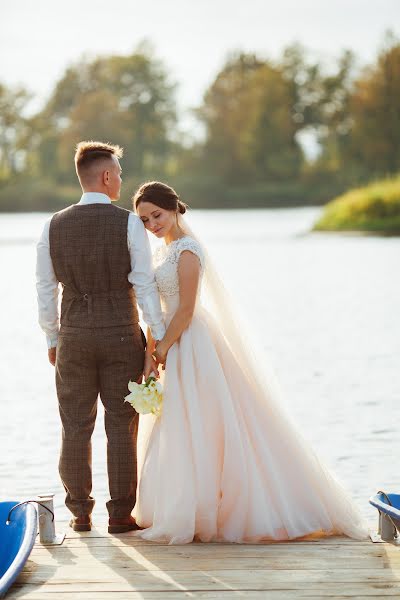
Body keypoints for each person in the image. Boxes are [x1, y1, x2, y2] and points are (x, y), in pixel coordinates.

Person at [132, 180, 370, 544]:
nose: (152, 225)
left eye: (156, 215)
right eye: (145, 220)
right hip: (167, 341)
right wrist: (153, 349)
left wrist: (163, 349)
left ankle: (231, 506)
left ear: (174, 207)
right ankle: (187, 505)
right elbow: (157, 309)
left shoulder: (188, 251)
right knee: (180, 425)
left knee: (210, 421)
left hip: (191, 342)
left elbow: (187, 309)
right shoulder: (159, 254)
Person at [35, 141, 164, 533]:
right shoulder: (127, 223)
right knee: (121, 425)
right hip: (122, 337)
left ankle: (79, 512)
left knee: (74, 425)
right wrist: (156, 339)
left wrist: (52, 340)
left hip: (73, 337)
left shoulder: (52, 225)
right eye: (119, 173)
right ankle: (121, 515)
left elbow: (45, 288)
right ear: (106, 176)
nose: (121, 180)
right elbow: (143, 284)